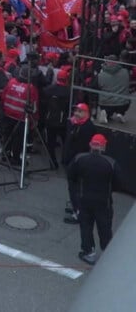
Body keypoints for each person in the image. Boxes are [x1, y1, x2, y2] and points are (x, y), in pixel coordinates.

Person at [66, 134, 122, 265]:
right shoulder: (111, 163)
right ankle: (108, 254)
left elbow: (71, 176)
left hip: (84, 200)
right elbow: (118, 184)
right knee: (105, 228)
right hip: (103, 202)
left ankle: (89, 253)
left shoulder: (80, 158)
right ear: (103, 146)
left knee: (85, 227)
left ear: (90, 145)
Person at [63, 103, 97, 224]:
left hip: (78, 163)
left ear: (86, 114)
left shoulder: (87, 128)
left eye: (80, 111)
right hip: (73, 161)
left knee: (76, 189)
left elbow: (79, 146)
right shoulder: (75, 124)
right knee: (73, 188)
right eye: (76, 111)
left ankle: (78, 213)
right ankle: (76, 208)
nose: (76, 114)